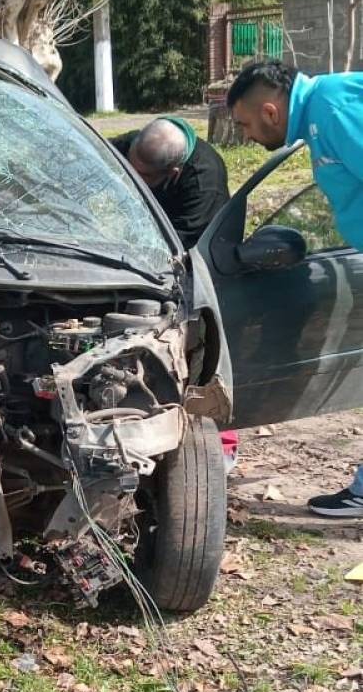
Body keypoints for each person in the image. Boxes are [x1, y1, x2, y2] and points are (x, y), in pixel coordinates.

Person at [227, 59, 363, 518]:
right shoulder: (320, 114)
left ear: (269, 111)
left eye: (245, 125)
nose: (247, 135)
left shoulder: (332, 106)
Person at [111, 117, 230, 247]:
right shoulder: (131, 144)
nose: (132, 177)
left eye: (143, 175)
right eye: (129, 166)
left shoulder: (204, 185)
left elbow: (180, 245)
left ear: (173, 173)